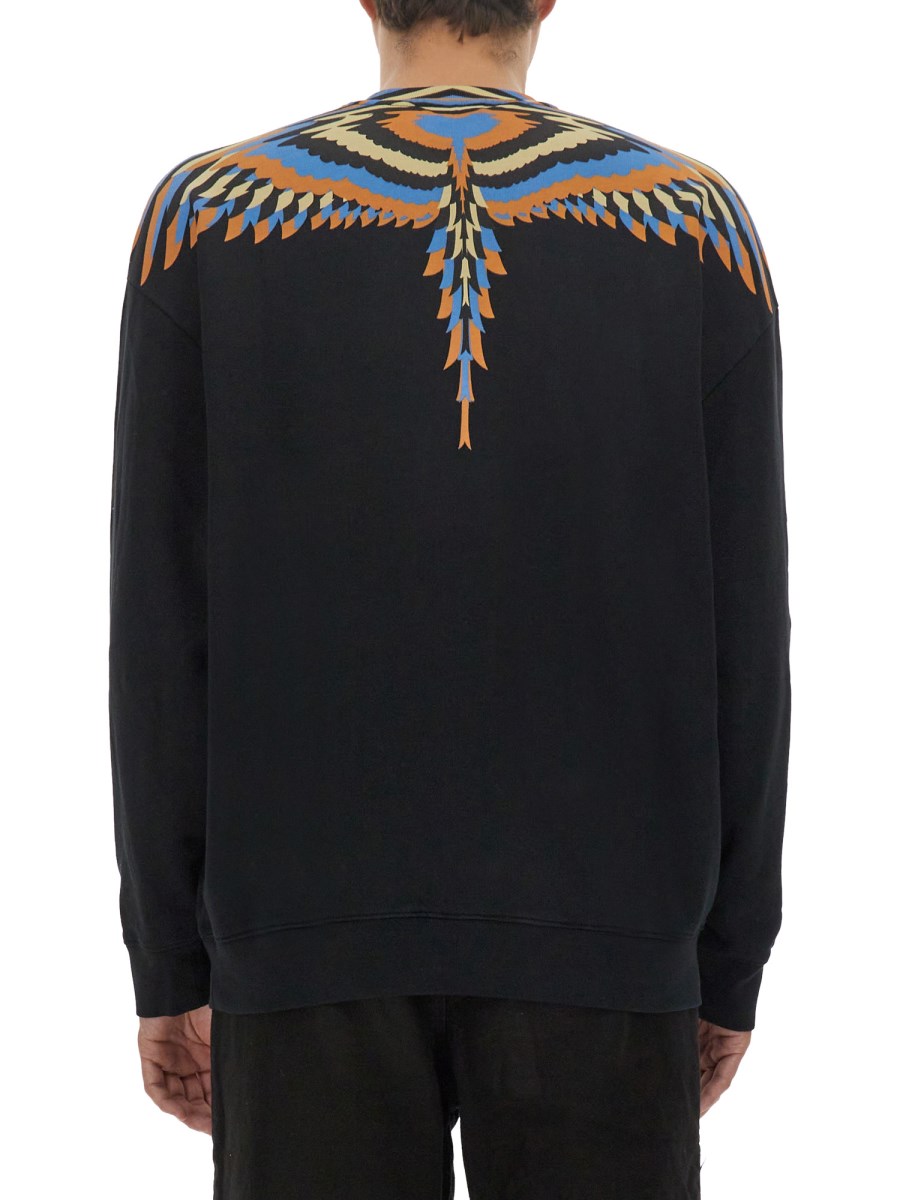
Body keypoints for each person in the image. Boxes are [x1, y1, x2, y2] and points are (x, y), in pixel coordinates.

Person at [108, 0, 792, 1195]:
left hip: (301, 932)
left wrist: (170, 957)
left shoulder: (202, 218)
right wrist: (728, 959)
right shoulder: (696, 224)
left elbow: (160, 631)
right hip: (611, 934)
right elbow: (746, 627)